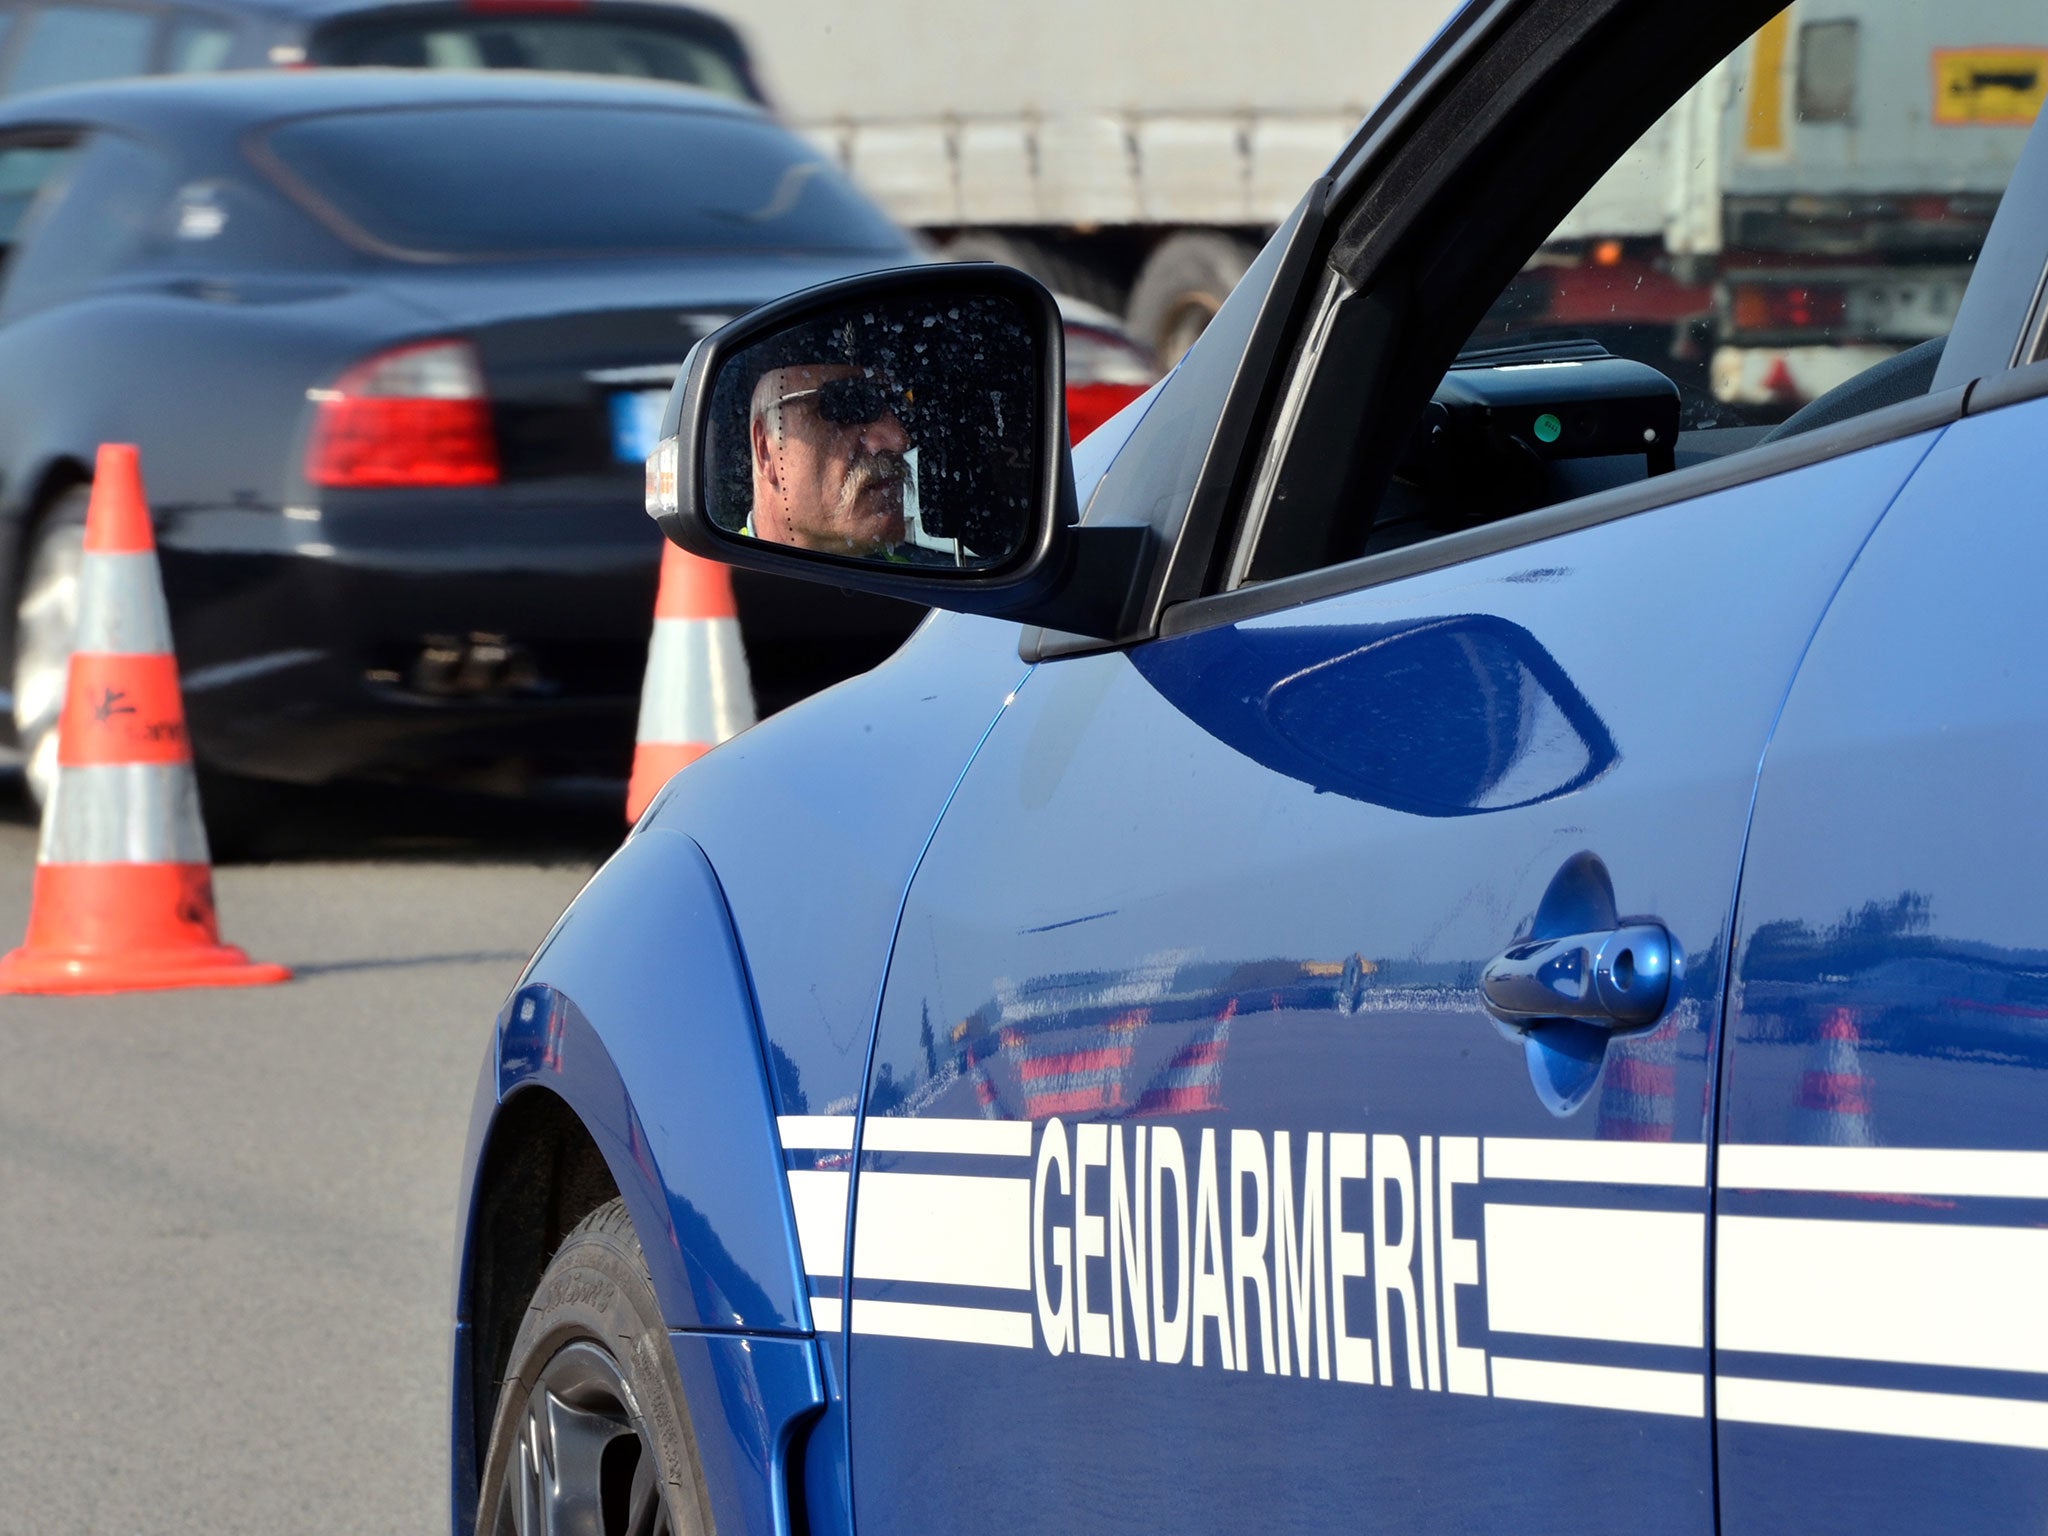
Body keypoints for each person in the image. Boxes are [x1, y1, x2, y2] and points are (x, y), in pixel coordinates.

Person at [746, 362, 912, 557]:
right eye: (848, 405)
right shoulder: (719, 581)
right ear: (765, 449)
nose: (899, 440)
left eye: (898, 404)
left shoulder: (910, 576)